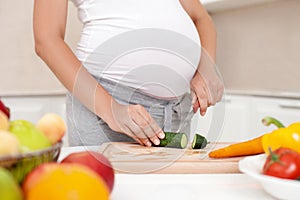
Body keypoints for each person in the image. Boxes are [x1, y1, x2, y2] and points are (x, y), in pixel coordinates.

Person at [33, 0, 224, 147]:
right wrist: (111, 110)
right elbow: (46, 40)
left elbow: (202, 18)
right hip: (106, 107)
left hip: (176, 111)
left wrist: (207, 69)